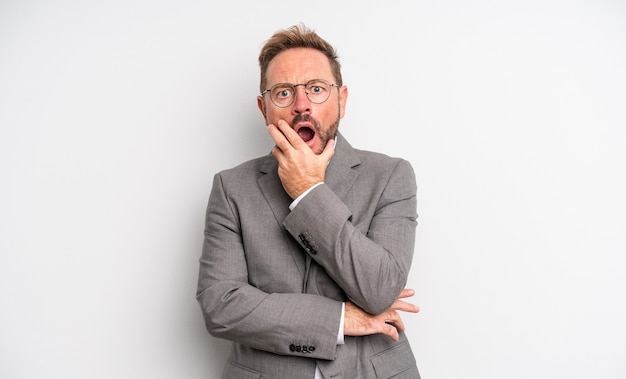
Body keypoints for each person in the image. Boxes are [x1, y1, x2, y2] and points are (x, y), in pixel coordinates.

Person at [196, 24, 421, 378]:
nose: (302, 106)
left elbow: (379, 289)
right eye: (283, 93)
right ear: (263, 107)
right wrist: (338, 318)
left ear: (341, 100)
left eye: (316, 89)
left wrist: (308, 192)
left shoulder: (391, 175)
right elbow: (221, 307)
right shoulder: (231, 187)